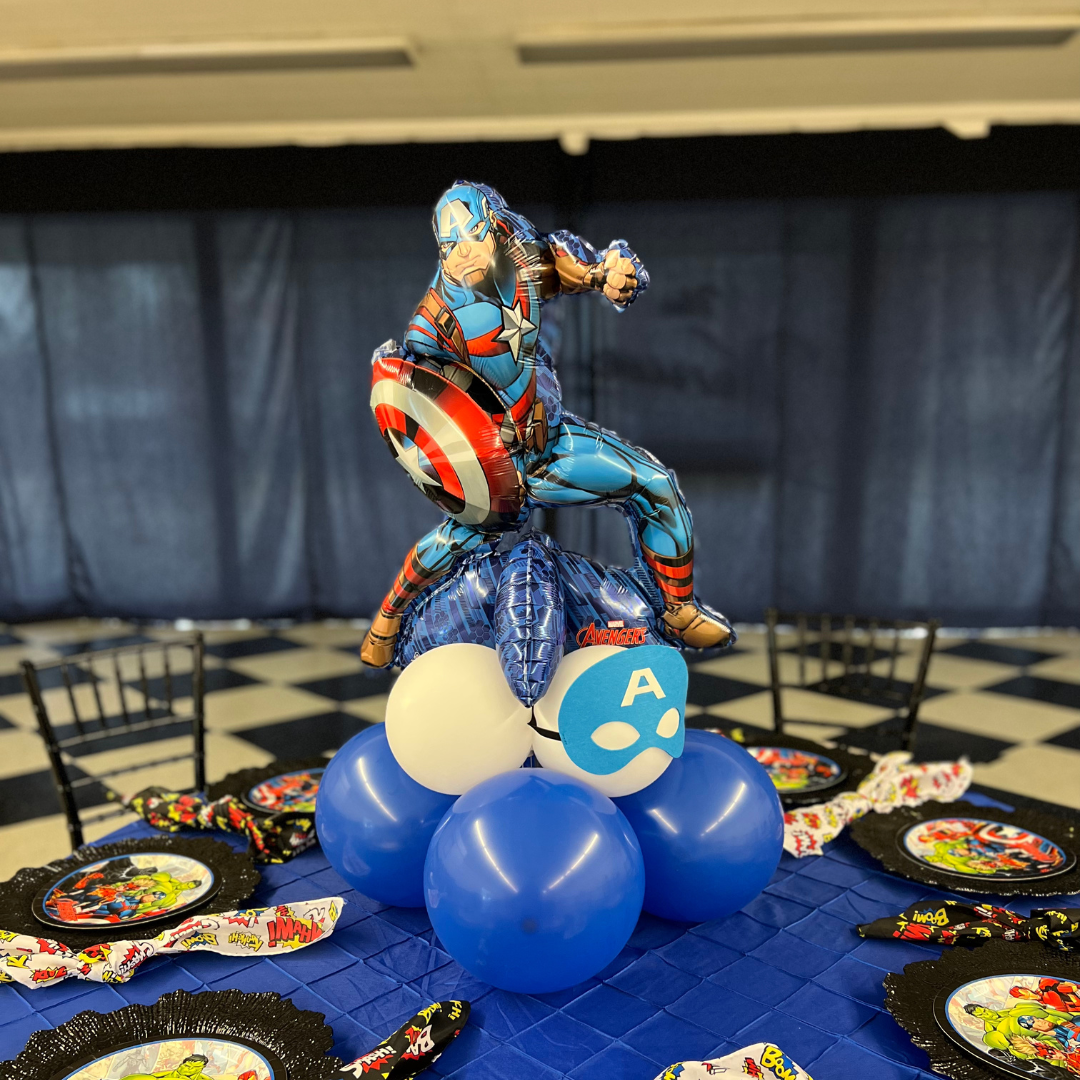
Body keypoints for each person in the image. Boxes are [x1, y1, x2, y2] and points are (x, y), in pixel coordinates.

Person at [361, 181, 731, 667]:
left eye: (471, 238)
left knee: (655, 485)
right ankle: (387, 622)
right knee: (457, 538)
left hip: (553, 443)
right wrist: (483, 455)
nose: (461, 256)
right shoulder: (434, 325)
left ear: (493, 228)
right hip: (499, 468)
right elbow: (421, 405)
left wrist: (608, 273)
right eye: (449, 248)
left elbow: (562, 266)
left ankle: (678, 610)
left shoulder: (519, 252)